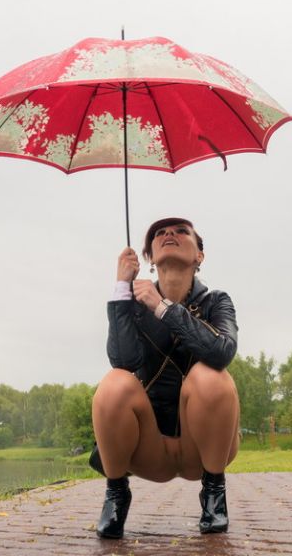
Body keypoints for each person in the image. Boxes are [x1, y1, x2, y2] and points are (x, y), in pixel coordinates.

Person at [91, 217, 240, 539]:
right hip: (149, 448)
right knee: (114, 383)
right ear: (148, 257)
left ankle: (214, 492)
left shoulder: (217, 301)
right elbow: (123, 361)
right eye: (160, 233)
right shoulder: (133, 304)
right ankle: (116, 493)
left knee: (211, 375)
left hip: (204, 450)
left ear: (199, 255)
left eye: (181, 231)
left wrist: (162, 308)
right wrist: (121, 288)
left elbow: (222, 352)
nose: (169, 234)